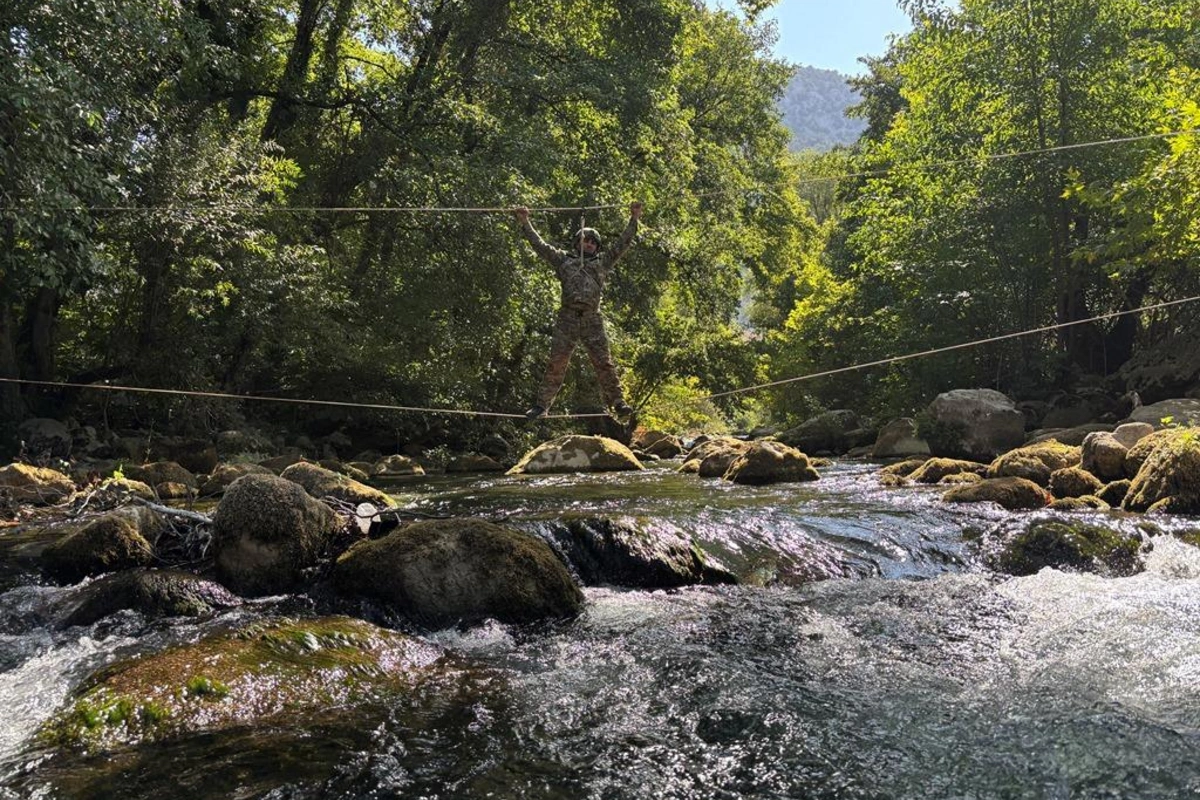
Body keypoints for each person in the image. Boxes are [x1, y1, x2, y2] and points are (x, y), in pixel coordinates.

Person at [514, 201, 644, 420]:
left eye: (594, 242)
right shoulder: (563, 260)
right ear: (577, 242)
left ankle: (618, 402)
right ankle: (542, 406)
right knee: (557, 361)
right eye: (586, 240)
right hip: (568, 318)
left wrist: (634, 218)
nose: (590, 244)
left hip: (592, 318)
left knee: (603, 362)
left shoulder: (602, 262)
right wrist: (525, 222)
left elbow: (623, 243)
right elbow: (540, 246)